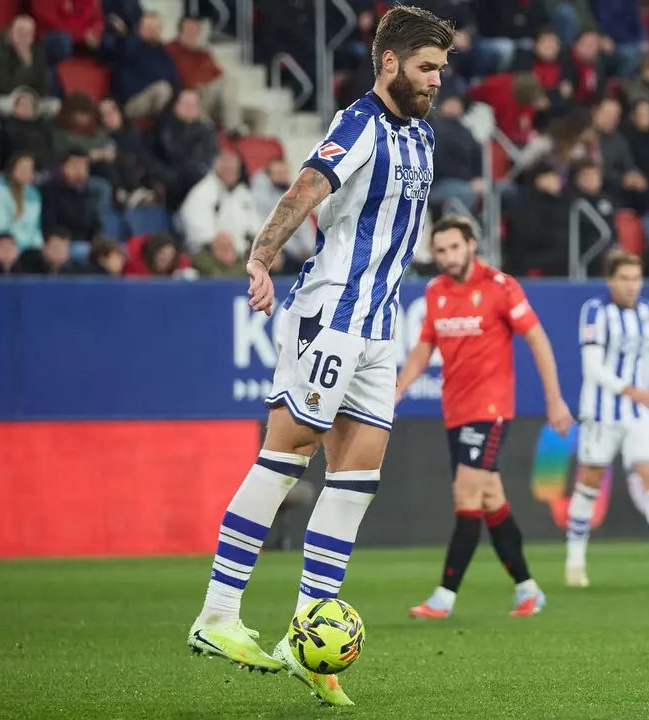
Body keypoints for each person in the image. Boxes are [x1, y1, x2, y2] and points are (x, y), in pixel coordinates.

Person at [187, 6, 454, 708]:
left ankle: (306, 644)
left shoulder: (423, 137)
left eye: (442, 70)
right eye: (427, 67)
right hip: (332, 313)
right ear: (390, 63)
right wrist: (262, 252)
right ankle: (217, 614)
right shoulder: (359, 123)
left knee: (357, 478)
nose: (436, 80)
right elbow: (310, 187)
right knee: (286, 455)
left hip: (378, 326)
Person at [396, 216, 573, 620]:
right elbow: (424, 348)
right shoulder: (435, 292)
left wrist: (555, 400)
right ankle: (528, 590)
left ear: (472, 245)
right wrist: (397, 388)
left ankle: (444, 597)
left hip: (490, 411)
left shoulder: (500, 286)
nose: (447, 257)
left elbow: (538, 340)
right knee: (491, 498)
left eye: (454, 247)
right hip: (455, 411)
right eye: (440, 250)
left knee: (466, 495)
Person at [564, 250, 649, 588]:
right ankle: (574, 562)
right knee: (589, 483)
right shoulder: (595, 312)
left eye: (636, 278)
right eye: (625, 279)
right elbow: (593, 368)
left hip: (639, 413)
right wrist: (632, 390)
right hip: (602, 412)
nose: (632, 286)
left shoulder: (646, 312)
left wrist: (646, 391)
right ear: (611, 281)